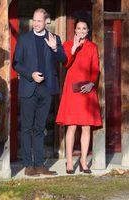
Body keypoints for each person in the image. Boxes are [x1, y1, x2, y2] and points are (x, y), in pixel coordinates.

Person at [13, 8, 67, 176]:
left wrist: (55, 48)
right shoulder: (23, 39)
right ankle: (29, 166)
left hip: (47, 89)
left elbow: (64, 60)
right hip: (29, 88)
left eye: (39, 21)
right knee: (27, 128)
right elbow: (16, 63)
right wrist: (31, 75)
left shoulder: (54, 39)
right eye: (34, 20)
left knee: (40, 127)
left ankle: (39, 164)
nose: (36, 23)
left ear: (46, 21)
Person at [56, 18, 102, 174]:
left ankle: (83, 161)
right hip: (72, 90)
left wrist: (92, 83)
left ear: (88, 31)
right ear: (74, 30)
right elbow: (66, 64)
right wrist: (74, 48)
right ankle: (69, 162)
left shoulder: (93, 47)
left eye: (84, 28)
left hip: (87, 91)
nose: (81, 31)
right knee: (72, 126)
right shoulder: (68, 45)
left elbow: (96, 68)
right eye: (79, 28)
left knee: (86, 127)